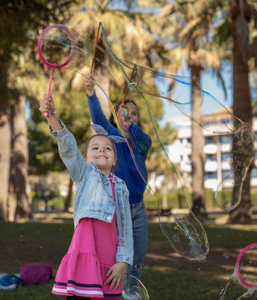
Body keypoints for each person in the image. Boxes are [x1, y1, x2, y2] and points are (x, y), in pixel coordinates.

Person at [40, 94, 133, 300]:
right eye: (95, 147)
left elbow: (125, 226)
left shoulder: (121, 187)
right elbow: (68, 148)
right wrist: (52, 117)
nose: (101, 149)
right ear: (85, 158)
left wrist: (123, 262)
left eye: (108, 148)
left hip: (110, 259)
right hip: (85, 252)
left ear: (114, 159)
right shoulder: (84, 174)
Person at [85, 74, 152, 289]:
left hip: (139, 210)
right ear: (115, 118)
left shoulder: (143, 142)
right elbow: (98, 120)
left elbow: (139, 137)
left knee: (137, 259)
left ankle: (131, 293)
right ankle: (115, 293)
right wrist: (91, 94)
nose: (129, 117)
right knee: (117, 260)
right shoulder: (113, 138)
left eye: (134, 114)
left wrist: (129, 124)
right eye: (124, 113)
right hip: (117, 209)